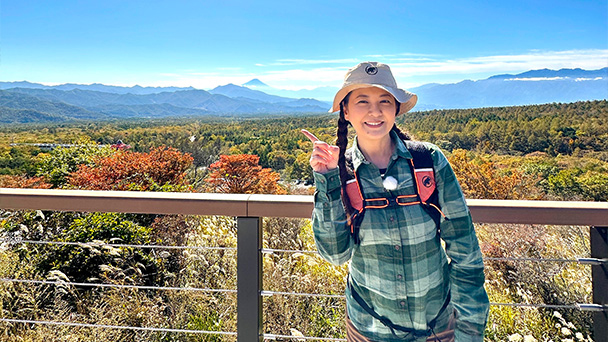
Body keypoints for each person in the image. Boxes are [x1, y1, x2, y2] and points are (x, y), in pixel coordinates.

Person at [302, 62, 489, 342]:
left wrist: (470, 332)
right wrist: (327, 180)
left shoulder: (428, 162)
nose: (375, 111)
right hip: (369, 329)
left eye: (384, 101)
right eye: (362, 101)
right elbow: (335, 255)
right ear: (346, 111)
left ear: (396, 109)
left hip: (438, 328)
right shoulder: (341, 172)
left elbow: (465, 252)